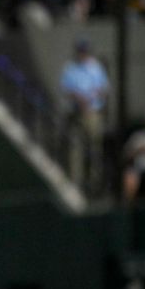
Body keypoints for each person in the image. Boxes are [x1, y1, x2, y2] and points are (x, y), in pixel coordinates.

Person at [59, 37, 109, 191]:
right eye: (80, 51)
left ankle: (94, 182)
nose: (82, 54)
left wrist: (90, 98)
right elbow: (66, 89)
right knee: (76, 147)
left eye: (85, 51)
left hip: (93, 112)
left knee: (94, 146)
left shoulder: (96, 68)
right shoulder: (70, 68)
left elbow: (104, 89)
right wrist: (79, 99)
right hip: (75, 112)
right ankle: (75, 182)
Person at [122, 105, 145, 203]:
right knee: (130, 176)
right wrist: (139, 150)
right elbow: (126, 155)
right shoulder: (139, 136)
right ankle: (129, 207)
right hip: (140, 168)